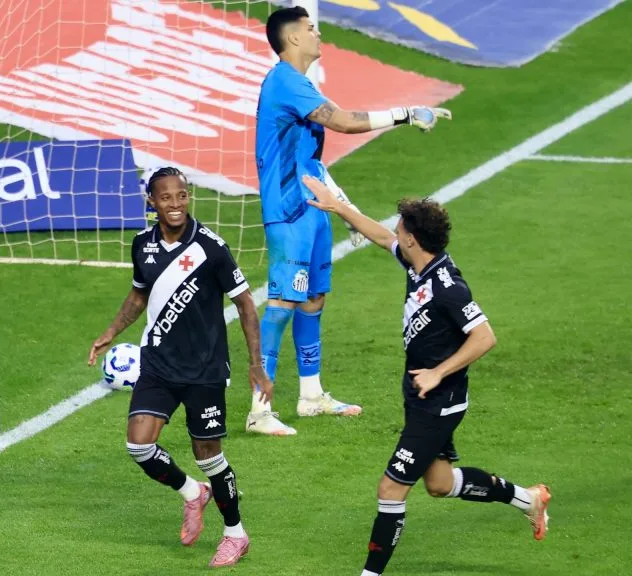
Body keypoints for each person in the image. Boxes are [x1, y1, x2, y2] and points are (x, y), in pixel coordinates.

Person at [301, 174, 551, 576]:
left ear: (415, 239)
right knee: (438, 483)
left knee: (390, 489)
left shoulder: (448, 286)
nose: (396, 232)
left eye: (402, 228)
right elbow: (382, 237)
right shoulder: (417, 263)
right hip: (421, 396)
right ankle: (530, 500)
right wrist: (339, 207)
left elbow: (484, 337)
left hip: (439, 402)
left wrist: (438, 372)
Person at [249, 5, 453, 435]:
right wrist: (407, 113)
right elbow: (343, 121)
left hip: (313, 207)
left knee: (313, 300)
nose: (318, 32)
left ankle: (310, 396)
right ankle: (259, 410)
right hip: (288, 211)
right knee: (283, 302)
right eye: (310, 28)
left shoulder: (298, 83)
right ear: (292, 39)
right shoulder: (286, 82)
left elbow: (311, 162)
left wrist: (345, 207)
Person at [88, 167, 273, 568]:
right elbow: (139, 295)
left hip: (204, 369)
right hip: (157, 364)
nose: (176, 204)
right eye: (166, 198)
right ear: (152, 203)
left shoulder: (211, 248)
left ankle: (235, 534)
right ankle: (193, 493)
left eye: (182, 196)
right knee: (139, 445)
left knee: (208, 454)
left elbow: (245, 304)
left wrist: (256, 365)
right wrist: (110, 331)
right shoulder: (142, 244)